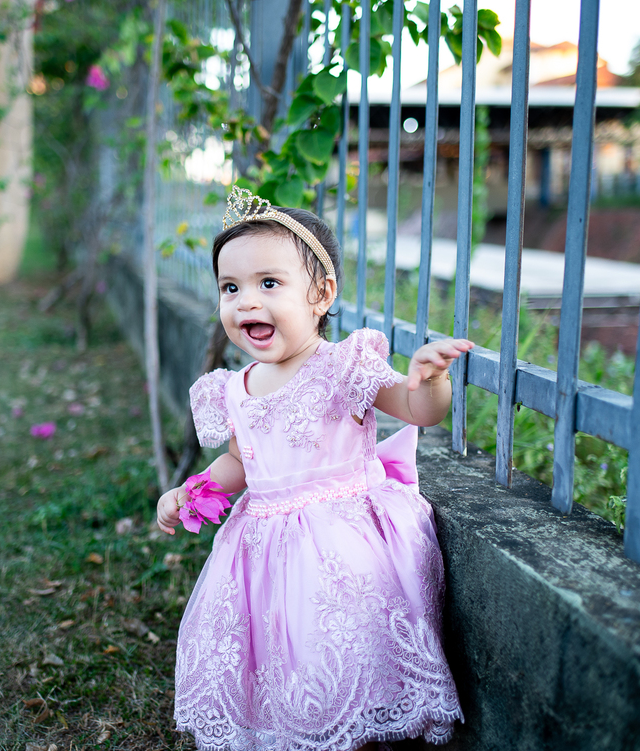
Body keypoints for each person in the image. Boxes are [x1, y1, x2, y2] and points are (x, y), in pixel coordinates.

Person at [157, 187, 472, 751]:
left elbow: (414, 411)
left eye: (268, 284)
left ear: (321, 294)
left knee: (339, 644)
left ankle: (357, 729)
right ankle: (293, 729)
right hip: (263, 542)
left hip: (341, 538)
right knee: (281, 649)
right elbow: (239, 461)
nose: (246, 302)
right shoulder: (233, 389)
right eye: (231, 288)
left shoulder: (343, 366)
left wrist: (429, 381)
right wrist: (193, 489)